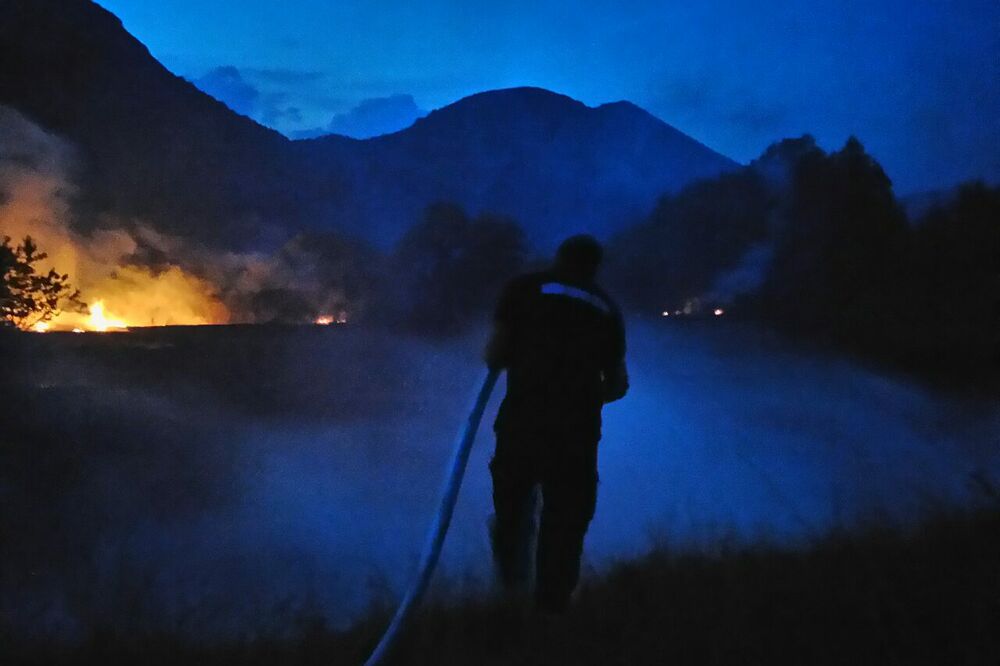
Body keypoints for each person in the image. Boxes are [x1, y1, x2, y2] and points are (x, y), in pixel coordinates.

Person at [484, 234, 628, 613]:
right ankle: (552, 610)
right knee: (566, 520)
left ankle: (510, 598)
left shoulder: (523, 288)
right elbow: (617, 385)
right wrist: (582, 397)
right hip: (576, 436)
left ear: (557, 256)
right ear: (595, 267)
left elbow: (495, 355)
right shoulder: (607, 309)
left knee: (512, 512)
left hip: (520, 424)